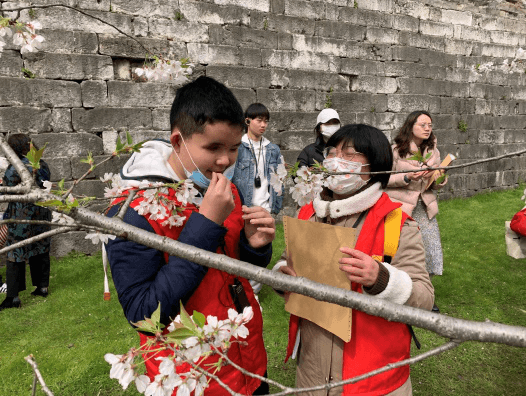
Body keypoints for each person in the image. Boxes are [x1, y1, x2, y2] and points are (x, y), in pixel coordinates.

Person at [105, 76, 274, 395]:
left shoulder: (226, 190)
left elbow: (233, 264)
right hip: (192, 376)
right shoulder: (133, 212)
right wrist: (206, 224)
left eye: (234, 148)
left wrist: (255, 247)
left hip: (248, 359)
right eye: (213, 148)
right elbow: (143, 312)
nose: (225, 161)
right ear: (179, 142)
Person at [275, 124, 434, 396]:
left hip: (373, 376)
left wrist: (381, 279)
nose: (336, 161)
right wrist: (282, 277)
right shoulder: (308, 215)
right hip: (312, 370)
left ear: (375, 166)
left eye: (350, 154)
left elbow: (425, 299)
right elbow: (285, 262)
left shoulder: (397, 224)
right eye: (332, 152)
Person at [386, 111, 447, 313]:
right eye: (423, 124)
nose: (427, 128)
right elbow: (383, 178)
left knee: (430, 250)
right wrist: (406, 177)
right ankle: (397, 293)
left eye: (430, 124)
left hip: (425, 206)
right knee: (401, 250)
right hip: (401, 206)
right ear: (411, 126)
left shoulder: (433, 151)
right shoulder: (396, 151)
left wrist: (439, 177)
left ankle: (425, 297)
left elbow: (436, 185)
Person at [0, 134, 52, 311]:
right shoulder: (42, 164)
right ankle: (42, 287)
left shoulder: (15, 167)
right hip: (42, 211)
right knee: (41, 247)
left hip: (22, 215)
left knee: (16, 252)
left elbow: (7, 189)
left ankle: (13, 298)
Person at [232, 103, 283, 215]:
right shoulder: (237, 147)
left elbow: (279, 179)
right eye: (259, 121)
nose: (263, 125)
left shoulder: (273, 149)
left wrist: (276, 206)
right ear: (248, 121)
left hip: (265, 208)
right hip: (242, 207)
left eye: (266, 121)